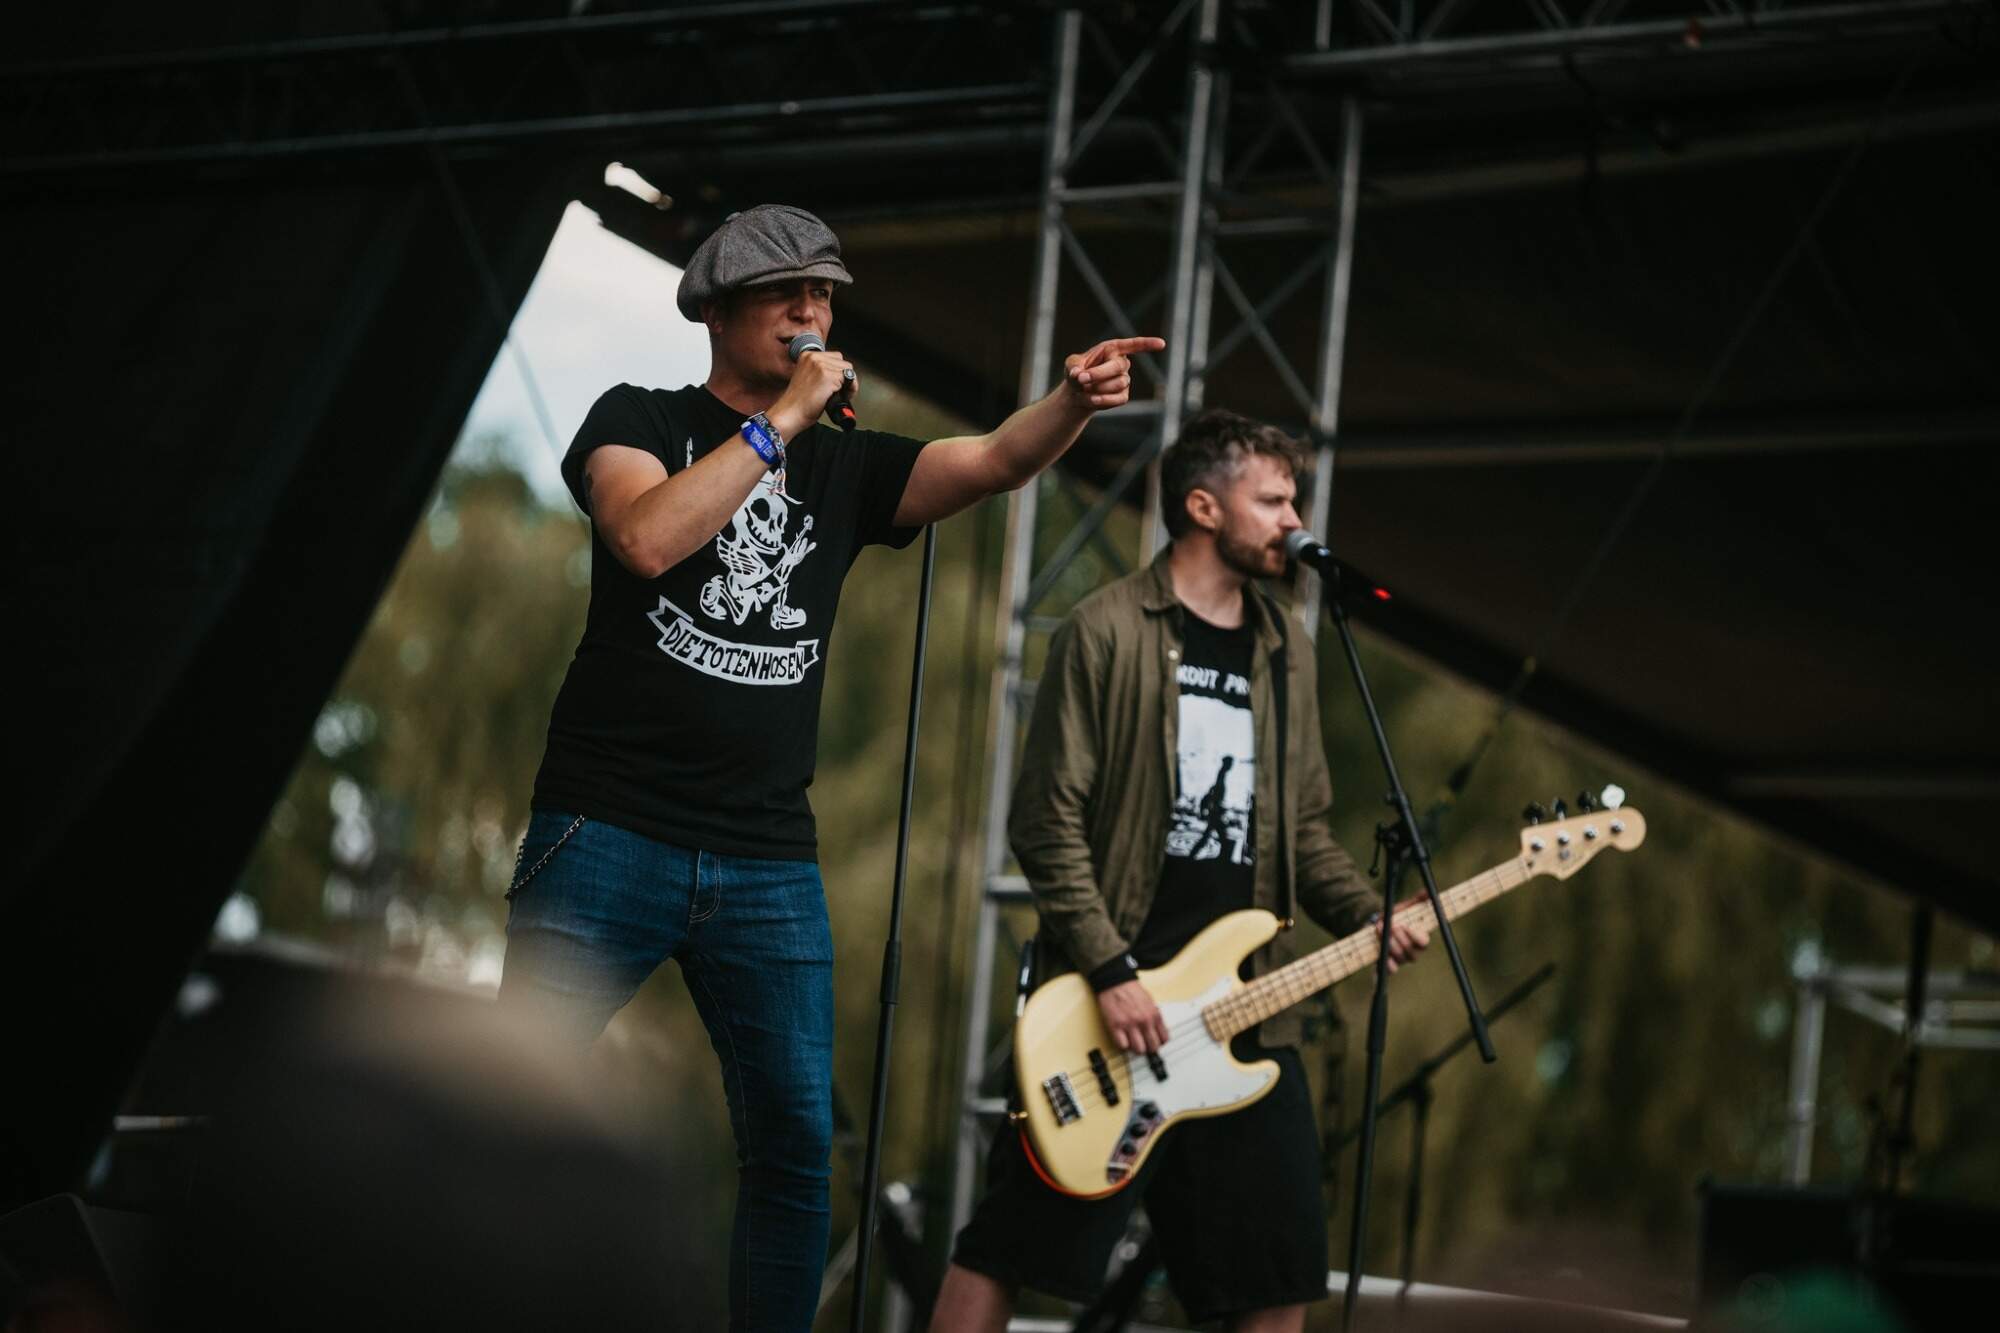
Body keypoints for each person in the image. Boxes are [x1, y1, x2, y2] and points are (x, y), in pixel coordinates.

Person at [498, 202, 1163, 1332]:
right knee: (511, 1114)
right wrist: (779, 428)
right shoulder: (639, 417)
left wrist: (1067, 402)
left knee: (795, 1146)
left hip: (765, 857)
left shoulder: (846, 463)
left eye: (823, 295)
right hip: (606, 827)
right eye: (785, 294)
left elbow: (992, 459)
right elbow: (647, 537)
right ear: (717, 311)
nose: (812, 312)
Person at [932, 410, 1431, 1333]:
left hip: (1246, 1016)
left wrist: (1372, 913)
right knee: (1008, 1250)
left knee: (1278, 1281)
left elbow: (1303, 830)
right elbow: (1045, 823)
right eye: (1272, 500)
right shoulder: (1105, 630)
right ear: (1203, 507)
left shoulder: (1286, 650)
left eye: (1293, 500)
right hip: (1109, 1008)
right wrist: (1110, 969)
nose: (1293, 520)